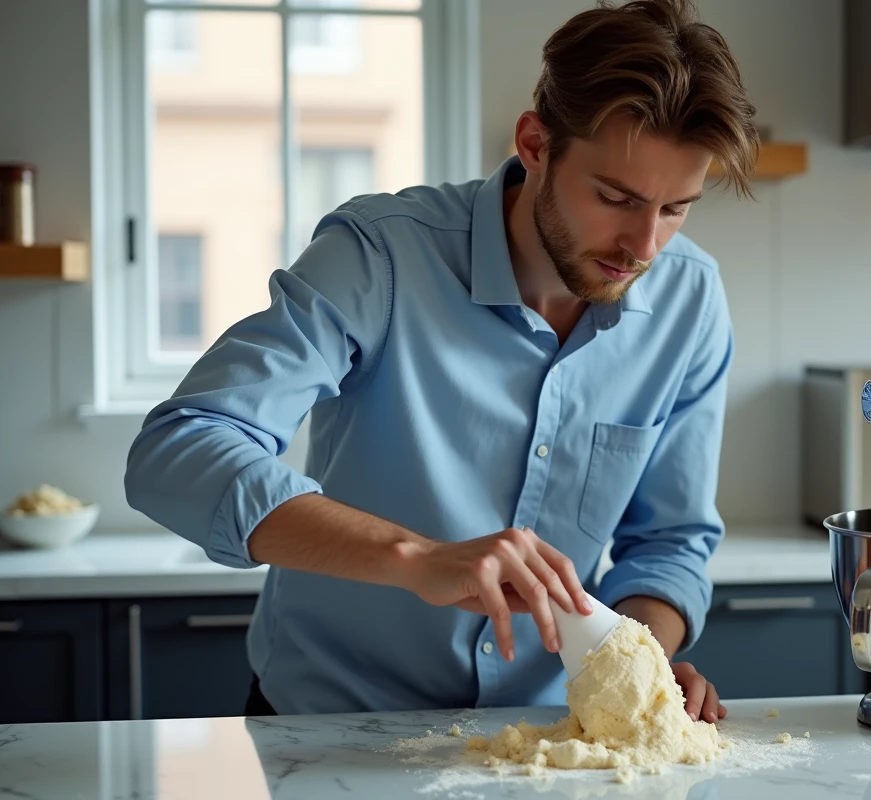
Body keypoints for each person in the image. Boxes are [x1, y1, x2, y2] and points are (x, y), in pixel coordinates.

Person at [125, 0, 759, 724]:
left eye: (676, 209)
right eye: (616, 198)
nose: (644, 247)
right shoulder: (380, 255)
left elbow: (670, 542)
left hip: (543, 739)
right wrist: (417, 557)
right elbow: (178, 448)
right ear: (535, 143)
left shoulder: (691, 298)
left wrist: (633, 657)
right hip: (334, 726)